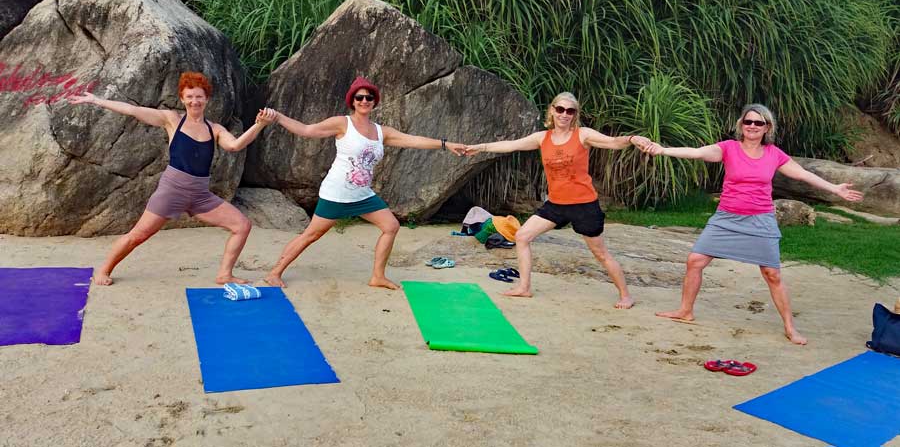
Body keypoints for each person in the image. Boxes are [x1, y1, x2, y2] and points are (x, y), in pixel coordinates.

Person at [643, 104, 864, 344]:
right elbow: (697, 153)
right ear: (741, 125)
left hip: (760, 219)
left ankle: (790, 327)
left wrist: (835, 189)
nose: (752, 126)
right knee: (695, 261)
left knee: (772, 274)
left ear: (767, 127)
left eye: (758, 123)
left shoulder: (773, 154)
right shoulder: (728, 149)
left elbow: (802, 174)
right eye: (748, 122)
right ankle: (685, 311)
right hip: (726, 218)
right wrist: (663, 150)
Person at [67, 72, 277, 285]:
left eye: (199, 97)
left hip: (200, 195)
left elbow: (235, 145)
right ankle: (104, 270)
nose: (194, 101)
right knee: (138, 235)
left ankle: (224, 274)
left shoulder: (215, 129)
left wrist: (259, 124)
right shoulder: (171, 119)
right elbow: (133, 110)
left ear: (206, 99)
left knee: (242, 225)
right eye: (190, 97)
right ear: (182, 99)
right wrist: (95, 100)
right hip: (172, 191)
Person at [261, 76, 466, 290]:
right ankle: (274, 273)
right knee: (311, 235)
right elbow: (306, 130)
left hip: (362, 194)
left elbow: (413, 140)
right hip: (337, 194)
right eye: (360, 97)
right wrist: (277, 116)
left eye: (369, 97)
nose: (364, 101)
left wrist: (446, 144)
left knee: (391, 226)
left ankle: (377, 276)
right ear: (353, 101)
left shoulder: (381, 132)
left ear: (374, 101)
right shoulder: (342, 123)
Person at [465, 92, 650, 308]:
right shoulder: (542, 138)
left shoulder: (583, 135)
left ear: (575, 115)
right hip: (556, 205)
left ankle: (626, 295)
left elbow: (613, 143)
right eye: (560, 109)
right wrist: (480, 148)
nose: (564, 114)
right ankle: (524, 288)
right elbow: (511, 145)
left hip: (584, 206)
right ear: (552, 110)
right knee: (523, 236)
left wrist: (631, 139)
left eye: (570, 111)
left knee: (600, 253)